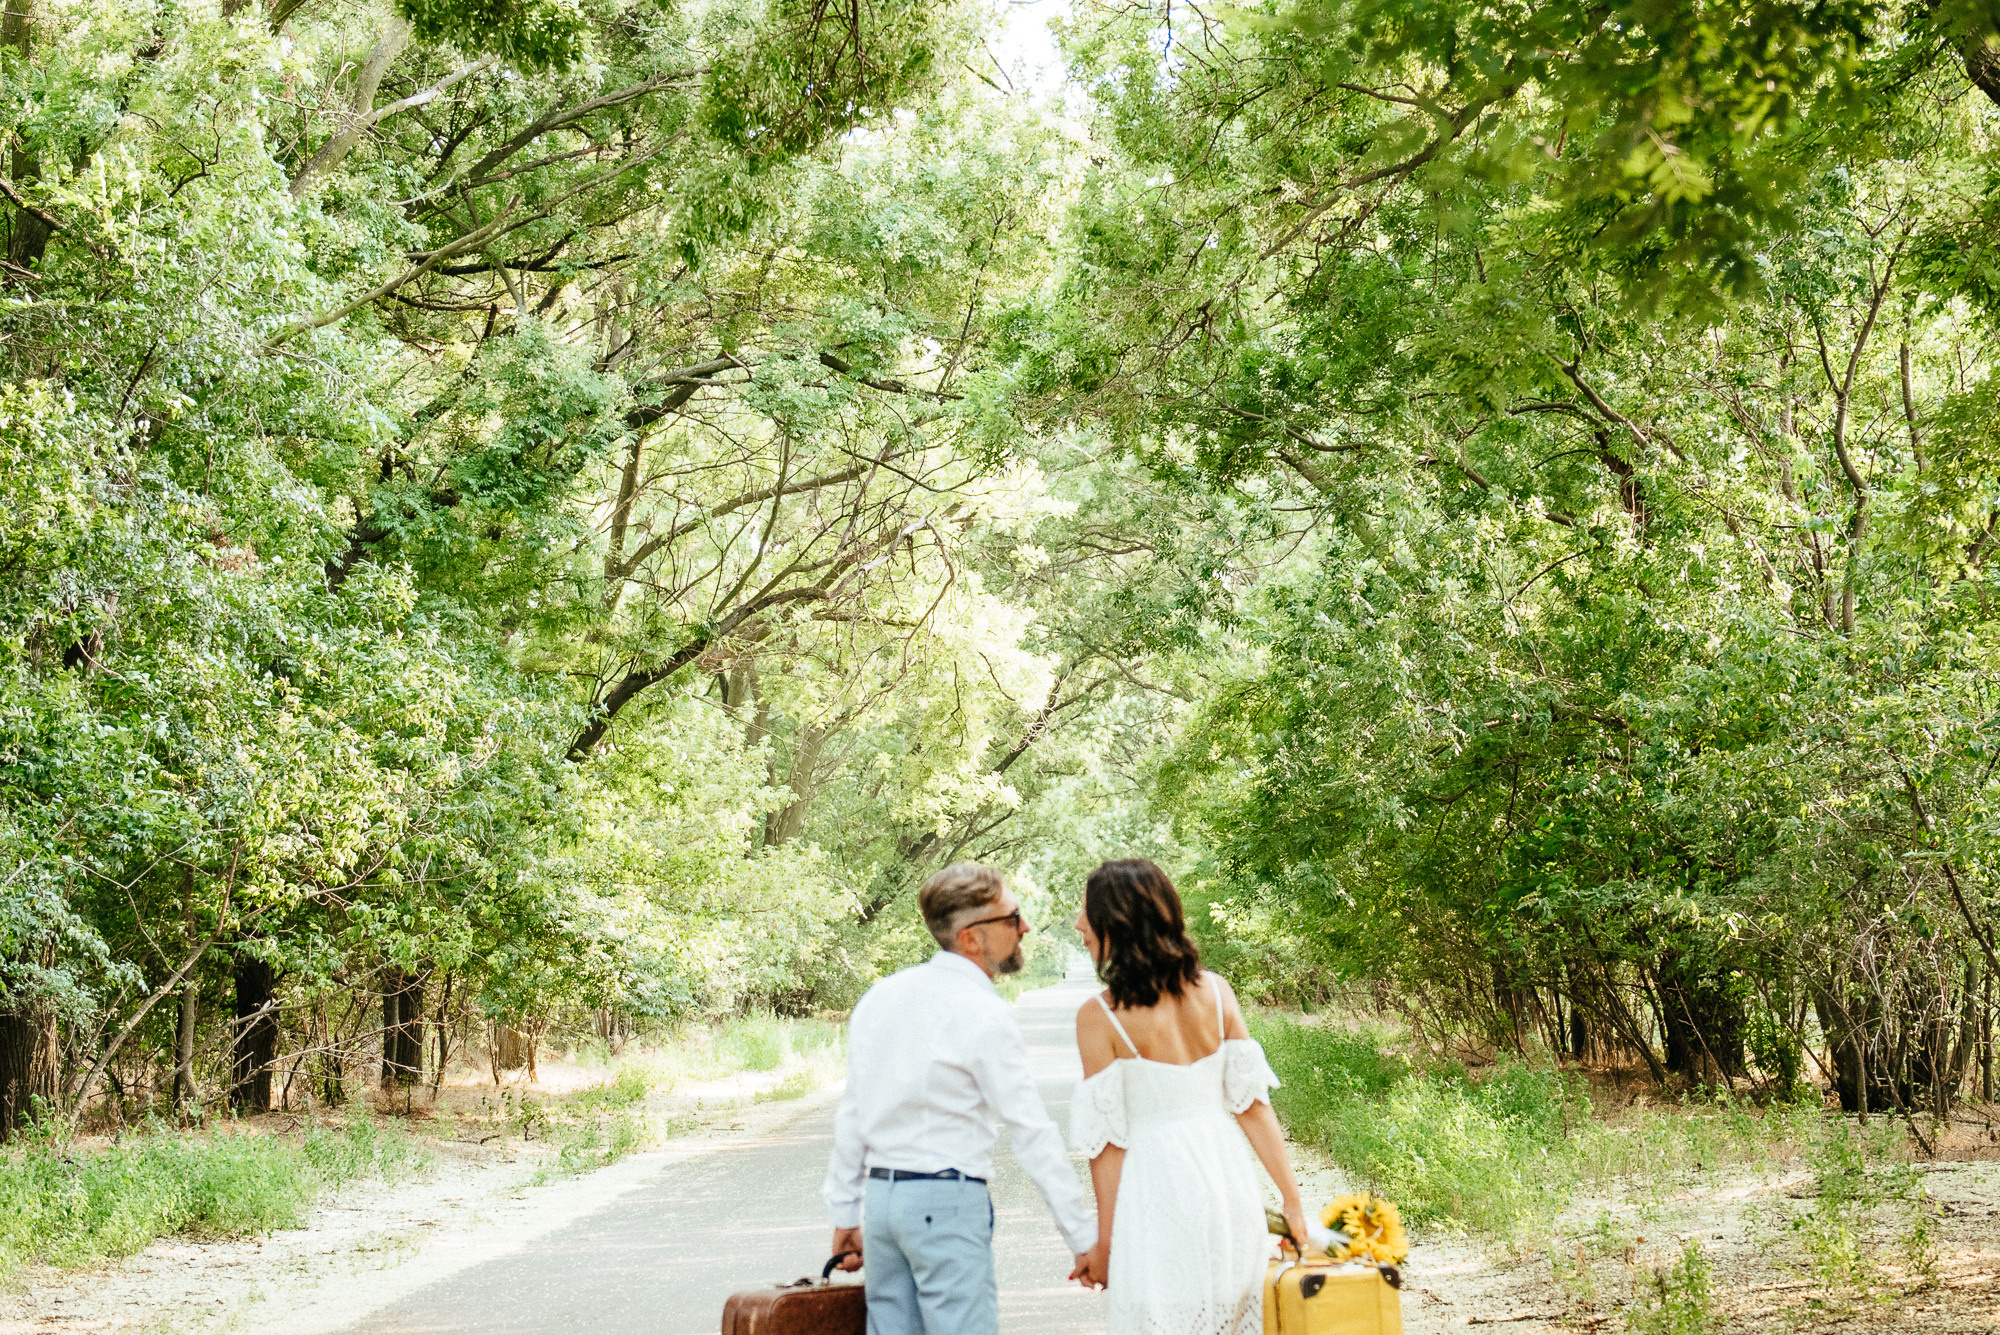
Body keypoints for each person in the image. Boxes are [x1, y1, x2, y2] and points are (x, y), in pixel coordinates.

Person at [822, 862, 1096, 1335]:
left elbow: (853, 1115)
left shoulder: (881, 997)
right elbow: (1030, 1130)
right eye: (1012, 918)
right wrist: (1082, 1236)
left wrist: (846, 1212)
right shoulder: (982, 1012)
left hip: (884, 1205)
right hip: (946, 1203)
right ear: (971, 937)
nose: (1025, 927)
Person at [1068, 857, 1310, 1335]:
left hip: (1156, 1186)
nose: (1079, 924)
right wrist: (1292, 1202)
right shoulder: (1217, 993)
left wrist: (1106, 1245)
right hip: (1225, 1179)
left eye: (1087, 913)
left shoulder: (1099, 1016)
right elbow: (1253, 1108)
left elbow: (1108, 1147)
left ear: (1118, 922)